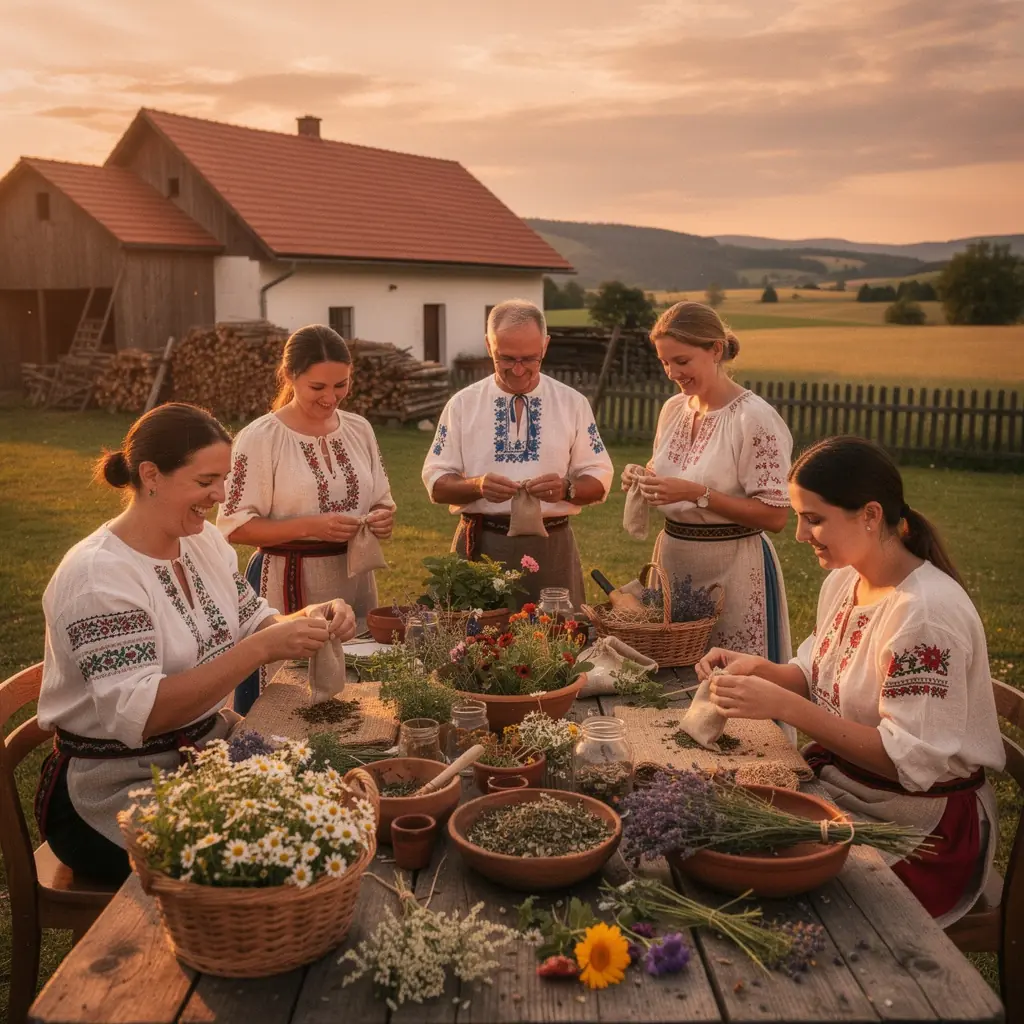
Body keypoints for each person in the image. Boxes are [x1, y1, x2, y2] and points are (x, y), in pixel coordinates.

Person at [35, 403, 356, 884]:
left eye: (224, 479)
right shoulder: (99, 577)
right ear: (152, 475)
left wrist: (309, 619)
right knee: (278, 845)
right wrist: (261, 651)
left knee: (334, 788)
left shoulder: (203, 541)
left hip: (206, 752)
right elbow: (145, 716)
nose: (221, 495)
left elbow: (256, 623)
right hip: (117, 788)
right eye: (206, 482)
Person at [699, 435, 1005, 925]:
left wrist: (784, 706)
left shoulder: (925, 616)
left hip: (919, 827)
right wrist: (763, 671)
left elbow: (909, 763)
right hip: (846, 787)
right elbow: (817, 672)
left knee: (753, 874)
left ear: (869, 514)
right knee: (714, 833)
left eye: (814, 518)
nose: (799, 534)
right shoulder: (845, 579)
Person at [217, 325, 395, 712]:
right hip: (287, 579)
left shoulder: (360, 429)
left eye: (341, 385)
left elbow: (382, 499)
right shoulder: (261, 437)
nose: (331, 397)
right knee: (288, 698)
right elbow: (233, 524)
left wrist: (381, 518)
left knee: (355, 691)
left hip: (354, 577)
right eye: (318, 387)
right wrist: (311, 527)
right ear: (290, 376)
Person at [626, 301, 792, 661]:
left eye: (681, 361)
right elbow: (668, 470)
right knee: (672, 678)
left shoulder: (754, 419)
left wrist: (699, 494)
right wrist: (642, 477)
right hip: (673, 565)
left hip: (733, 570)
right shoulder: (673, 409)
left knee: (733, 687)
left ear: (715, 349)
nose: (672, 372)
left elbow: (775, 516)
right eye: (664, 362)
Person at [421, 299, 613, 606]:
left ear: (545, 346)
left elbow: (599, 481)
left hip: (552, 549)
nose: (519, 370)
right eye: (506, 359)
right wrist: (477, 486)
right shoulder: (462, 405)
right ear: (488, 345)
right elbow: (436, 484)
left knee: (556, 644)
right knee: (476, 647)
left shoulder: (572, 403)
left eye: (530, 359)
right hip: (482, 548)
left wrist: (567, 488)